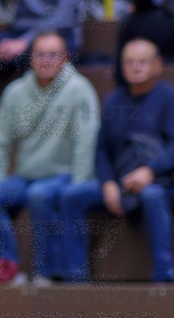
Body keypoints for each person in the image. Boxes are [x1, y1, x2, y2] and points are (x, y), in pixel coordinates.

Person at [0, 31, 99, 285]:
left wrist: (78, 185)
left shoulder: (79, 89)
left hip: (63, 176)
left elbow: (86, 141)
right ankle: (9, 269)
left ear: (65, 58)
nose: (46, 60)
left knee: (40, 195)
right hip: (25, 176)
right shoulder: (15, 92)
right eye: (40, 54)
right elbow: (0, 142)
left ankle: (45, 272)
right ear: (31, 58)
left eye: (53, 54)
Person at [60, 38, 174, 283]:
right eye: (129, 62)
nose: (136, 67)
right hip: (120, 179)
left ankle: (164, 274)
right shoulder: (113, 100)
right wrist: (107, 183)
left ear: (157, 64)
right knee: (72, 195)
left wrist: (150, 172)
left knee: (153, 195)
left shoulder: (168, 97)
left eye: (142, 62)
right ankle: (75, 277)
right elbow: (101, 150)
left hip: (161, 180)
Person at [0, 0, 84, 135]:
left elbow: (63, 17)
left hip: (58, 36)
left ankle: (40, 127)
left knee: (44, 51)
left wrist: (25, 41)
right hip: (20, 32)